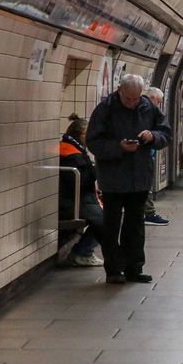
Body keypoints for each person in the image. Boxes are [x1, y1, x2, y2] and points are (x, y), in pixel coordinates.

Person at [86, 74, 172, 284]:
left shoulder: (148, 107)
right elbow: (93, 142)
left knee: (135, 225)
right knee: (112, 225)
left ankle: (134, 267)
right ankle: (114, 270)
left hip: (140, 176)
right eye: (128, 99)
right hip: (113, 178)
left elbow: (165, 133)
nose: (133, 103)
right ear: (119, 91)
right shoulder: (105, 109)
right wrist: (119, 147)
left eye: (136, 98)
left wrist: (153, 136)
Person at [59, 114, 104, 267]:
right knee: (105, 220)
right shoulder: (72, 154)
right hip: (73, 200)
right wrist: (96, 171)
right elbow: (82, 181)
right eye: (88, 134)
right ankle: (82, 252)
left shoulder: (71, 149)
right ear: (80, 135)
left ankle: (83, 251)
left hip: (77, 197)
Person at [142, 86, 170, 226]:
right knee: (145, 185)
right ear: (152, 98)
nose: (158, 105)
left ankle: (147, 213)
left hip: (146, 155)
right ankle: (149, 214)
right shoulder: (146, 112)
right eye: (158, 101)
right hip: (143, 157)